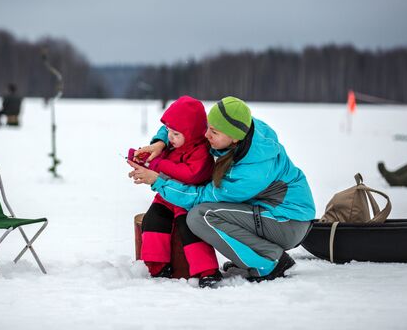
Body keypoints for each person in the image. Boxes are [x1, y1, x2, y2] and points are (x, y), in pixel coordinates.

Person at [129, 96, 316, 283]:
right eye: (208, 127)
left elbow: (200, 197)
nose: (206, 134)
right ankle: (253, 258)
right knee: (206, 214)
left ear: (233, 138)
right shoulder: (241, 129)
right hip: (272, 213)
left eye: (214, 132)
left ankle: (270, 262)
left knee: (200, 216)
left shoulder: (250, 174)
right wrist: (160, 142)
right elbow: (186, 125)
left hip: (287, 222)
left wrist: (158, 181)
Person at [131, 96, 221, 288]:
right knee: (153, 220)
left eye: (176, 134)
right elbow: (162, 148)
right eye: (169, 132)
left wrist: (157, 165)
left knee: (190, 229)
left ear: (193, 132)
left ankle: (207, 271)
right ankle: (157, 266)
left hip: (188, 200)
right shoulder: (173, 144)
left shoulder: (201, 151)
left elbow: (191, 175)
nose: (170, 137)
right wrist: (145, 158)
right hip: (165, 197)